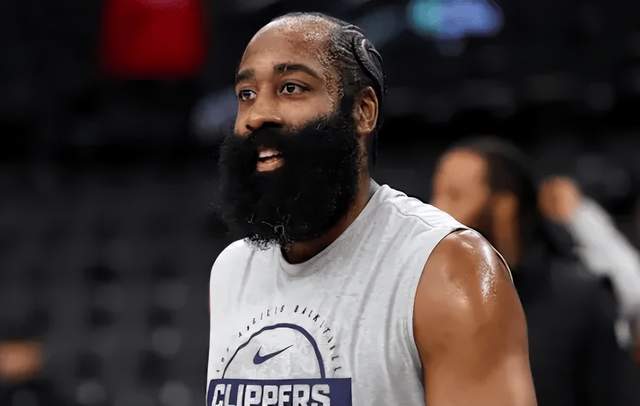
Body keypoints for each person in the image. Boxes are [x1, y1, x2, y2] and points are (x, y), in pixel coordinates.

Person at [208, 12, 536, 406]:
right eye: (246, 94)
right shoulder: (231, 270)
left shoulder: (448, 269)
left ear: (363, 110)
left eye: (291, 87)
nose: (257, 114)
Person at [431, 137, 630, 406]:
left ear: (504, 207)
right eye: (436, 195)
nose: (436, 209)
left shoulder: (580, 299)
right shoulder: (433, 300)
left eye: (454, 196)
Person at [539, 177, 640, 350]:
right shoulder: (547, 236)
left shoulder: (589, 219)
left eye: (561, 198)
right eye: (553, 199)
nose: (558, 202)